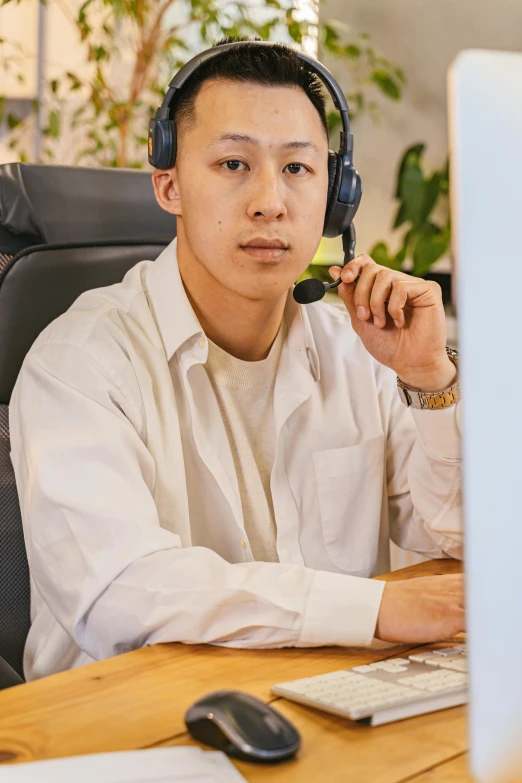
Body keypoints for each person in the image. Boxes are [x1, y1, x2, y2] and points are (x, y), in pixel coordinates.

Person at [9, 37, 464, 682]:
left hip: (318, 702)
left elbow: (467, 538)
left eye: (298, 169)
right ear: (168, 184)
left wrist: (429, 380)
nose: (270, 201)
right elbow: (122, 591)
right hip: (126, 729)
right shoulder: (81, 364)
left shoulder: (355, 353)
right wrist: (374, 609)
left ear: (336, 199)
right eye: (232, 164)